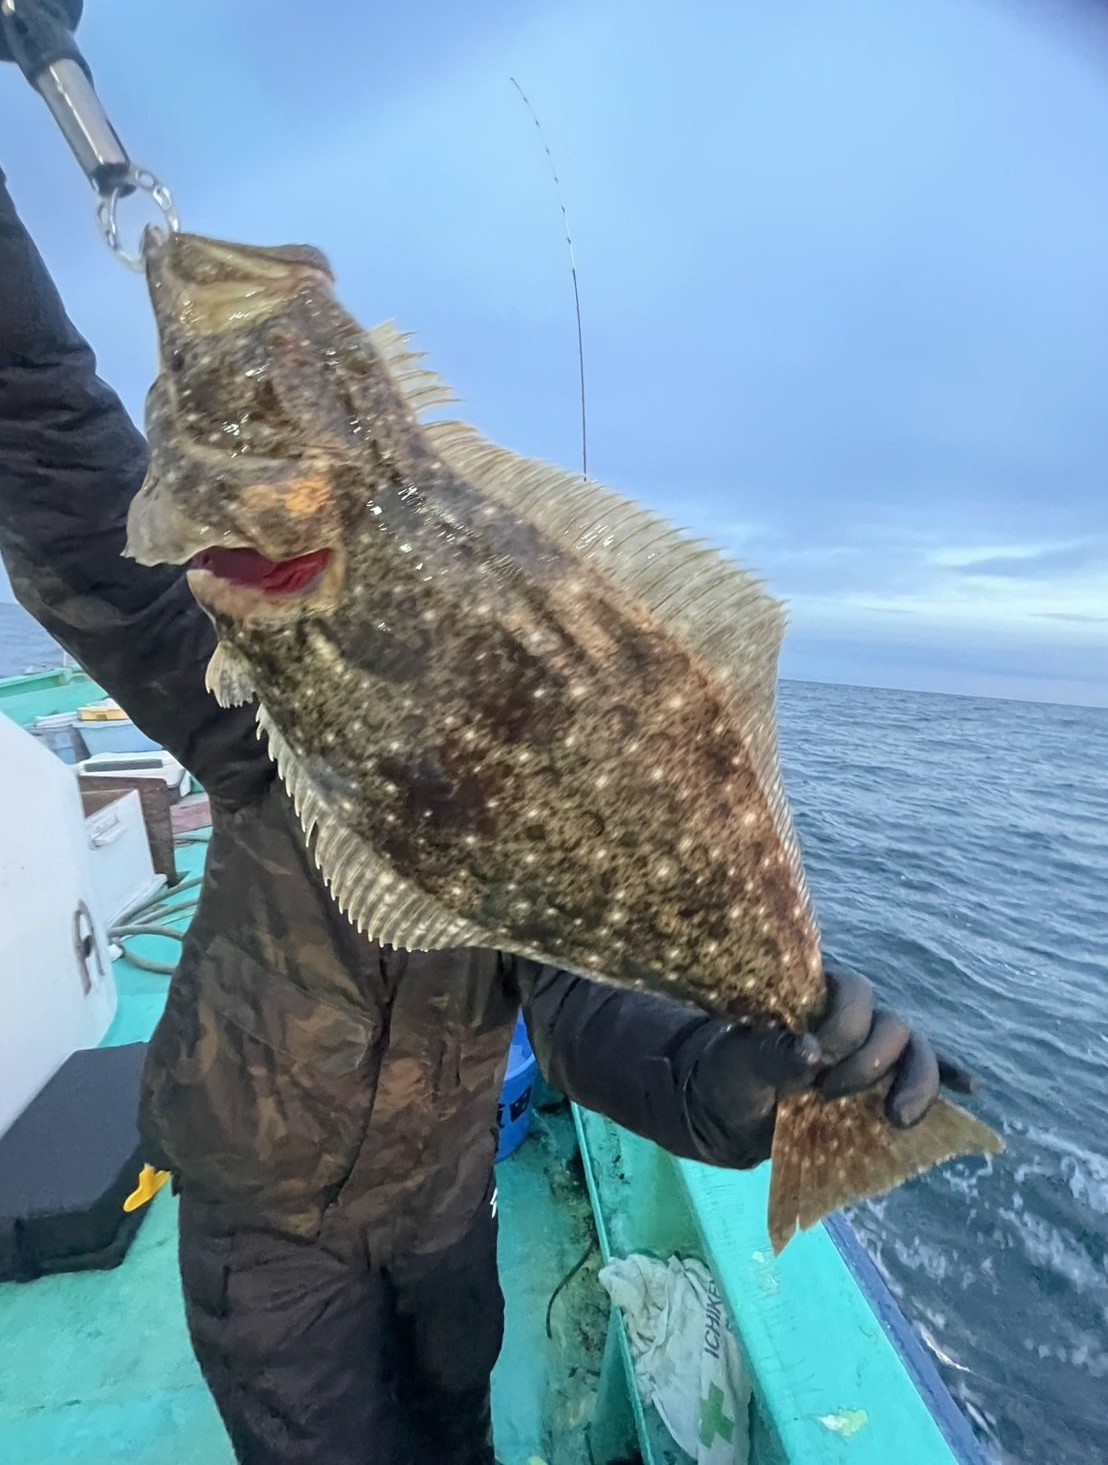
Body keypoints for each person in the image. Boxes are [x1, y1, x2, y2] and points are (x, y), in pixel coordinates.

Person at [0, 154, 974, 1465]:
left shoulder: (534, 801)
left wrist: (760, 1078)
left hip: (444, 1214)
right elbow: (47, 435)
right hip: (265, 1233)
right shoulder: (246, 707)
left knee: (456, 1429)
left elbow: (595, 1025)